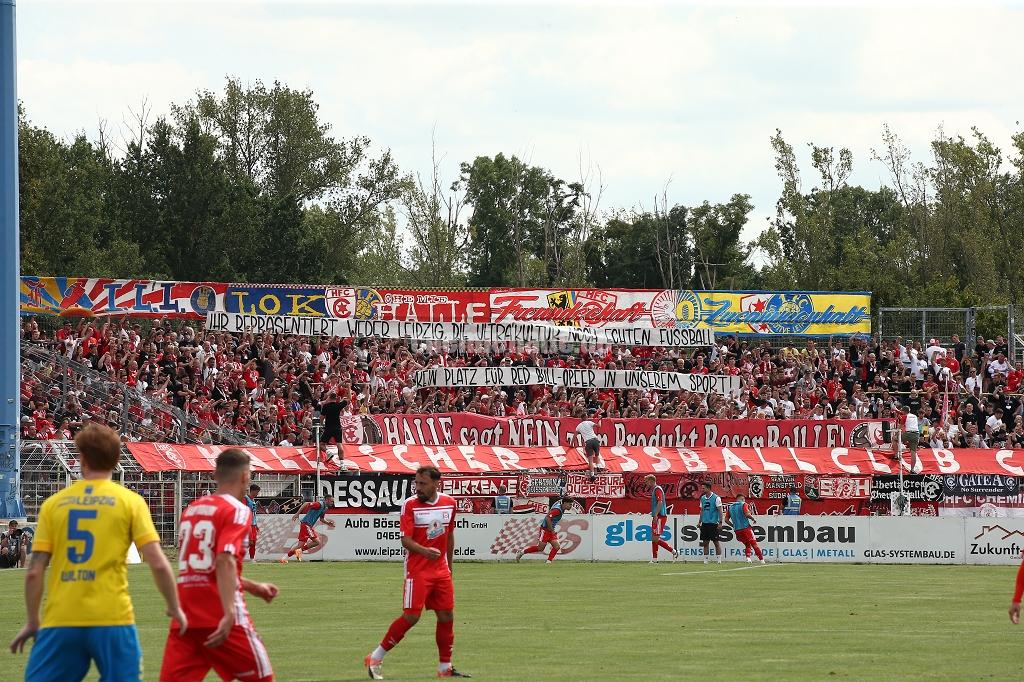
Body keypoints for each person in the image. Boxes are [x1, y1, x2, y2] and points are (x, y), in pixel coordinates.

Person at [9, 423, 186, 682]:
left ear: (81, 458)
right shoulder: (130, 502)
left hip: (62, 618)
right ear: (116, 460)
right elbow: (158, 563)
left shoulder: (54, 504)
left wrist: (33, 620)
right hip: (112, 617)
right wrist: (174, 607)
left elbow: (35, 571)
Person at [160, 448, 279, 682]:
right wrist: (229, 613)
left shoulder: (191, 510)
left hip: (186, 618)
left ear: (215, 475)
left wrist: (253, 586)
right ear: (245, 477)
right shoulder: (237, 510)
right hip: (222, 616)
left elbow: (206, 567)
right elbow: (224, 560)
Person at [365, 466, 470, 679]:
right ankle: (375, 656)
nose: (418, 487)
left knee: (447, 615)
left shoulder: (449, 503)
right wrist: (425, 551)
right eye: (416, 483)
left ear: (436, 484)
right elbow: (405, 540)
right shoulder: (410, 505)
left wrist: (449, 567)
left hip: (440, 570)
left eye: (423, 483)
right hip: (418, 570)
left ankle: (445, 668)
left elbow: (449, 535)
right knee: (412, 616)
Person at [515, 495, 571, 564]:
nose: (570, 506)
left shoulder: (561, 508)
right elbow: (547, 518)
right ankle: (522, 552)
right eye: (570, 504)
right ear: (564, 503)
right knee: (540, 548)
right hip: (545, 530)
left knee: (557, 546)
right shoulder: (557, 510)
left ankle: (548, 562)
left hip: (550, 530)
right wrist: (552, 530)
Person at [280, 495, 336, 563]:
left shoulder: (325, 508)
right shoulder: (319, 504)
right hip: (306, 524)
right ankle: (299, 551)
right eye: (331, 501)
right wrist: (297, 514)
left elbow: (321, 519)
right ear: (326, 500)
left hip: (307, 525)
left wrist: (328, 523)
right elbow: (306, 504)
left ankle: (285, 558)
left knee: (300, 545)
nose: (332, 503)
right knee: (317, 542)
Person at [646, 475, 677, 563]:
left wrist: (655, 515)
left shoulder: (657, 489)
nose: (646, 483)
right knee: (654, 538)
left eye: (647, 481)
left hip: (660, 516)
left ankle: (673, 551)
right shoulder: (655, 490)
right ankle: (655, 559)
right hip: (657, 516)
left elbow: (660, 502)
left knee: (655, 538)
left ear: (651, 481)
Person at [727, 493, 765, 564]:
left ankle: (748, 558)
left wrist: (733, 525)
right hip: (746, 528)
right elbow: (747, 514)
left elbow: (726, 520)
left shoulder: (730, 507)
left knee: (747, 544)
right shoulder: (744, 504)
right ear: (742, 499)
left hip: (737, 530)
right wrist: (753, 519)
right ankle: (762, 560)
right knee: (754, 544)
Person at [698, 481, 724, 564]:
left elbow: (720, 511)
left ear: (708, 488)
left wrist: (720, 522)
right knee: (705, 542)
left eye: (703, 488)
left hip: (713, 523)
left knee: (716, 542)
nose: (702, 489)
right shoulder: (702, 498)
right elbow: (702, 511)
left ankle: (719, 560)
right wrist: (699, 522)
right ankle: (705, 560)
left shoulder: (716, 498)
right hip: (705, 523)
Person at [576, 414, 601, 480]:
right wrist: (600, 419)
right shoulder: (589, 422)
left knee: (590, 460)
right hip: (595, 440)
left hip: (588, 442)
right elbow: (599, 426)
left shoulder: (578, 426)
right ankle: (598, 467)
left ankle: (592, 474)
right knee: (597, 455)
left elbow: (574, 435)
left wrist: (571, 444)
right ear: (586, 417)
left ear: (581, 418)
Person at [245, 483, 261, 562]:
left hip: (253, 524)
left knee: (253, 542)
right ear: (253, 491)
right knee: (249, 541)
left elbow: (253, 513)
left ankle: (252, 558)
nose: (257, 494)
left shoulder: (253, 500)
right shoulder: (245, 499)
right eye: (257, 492)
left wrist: (256, 524)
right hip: (247, 524)